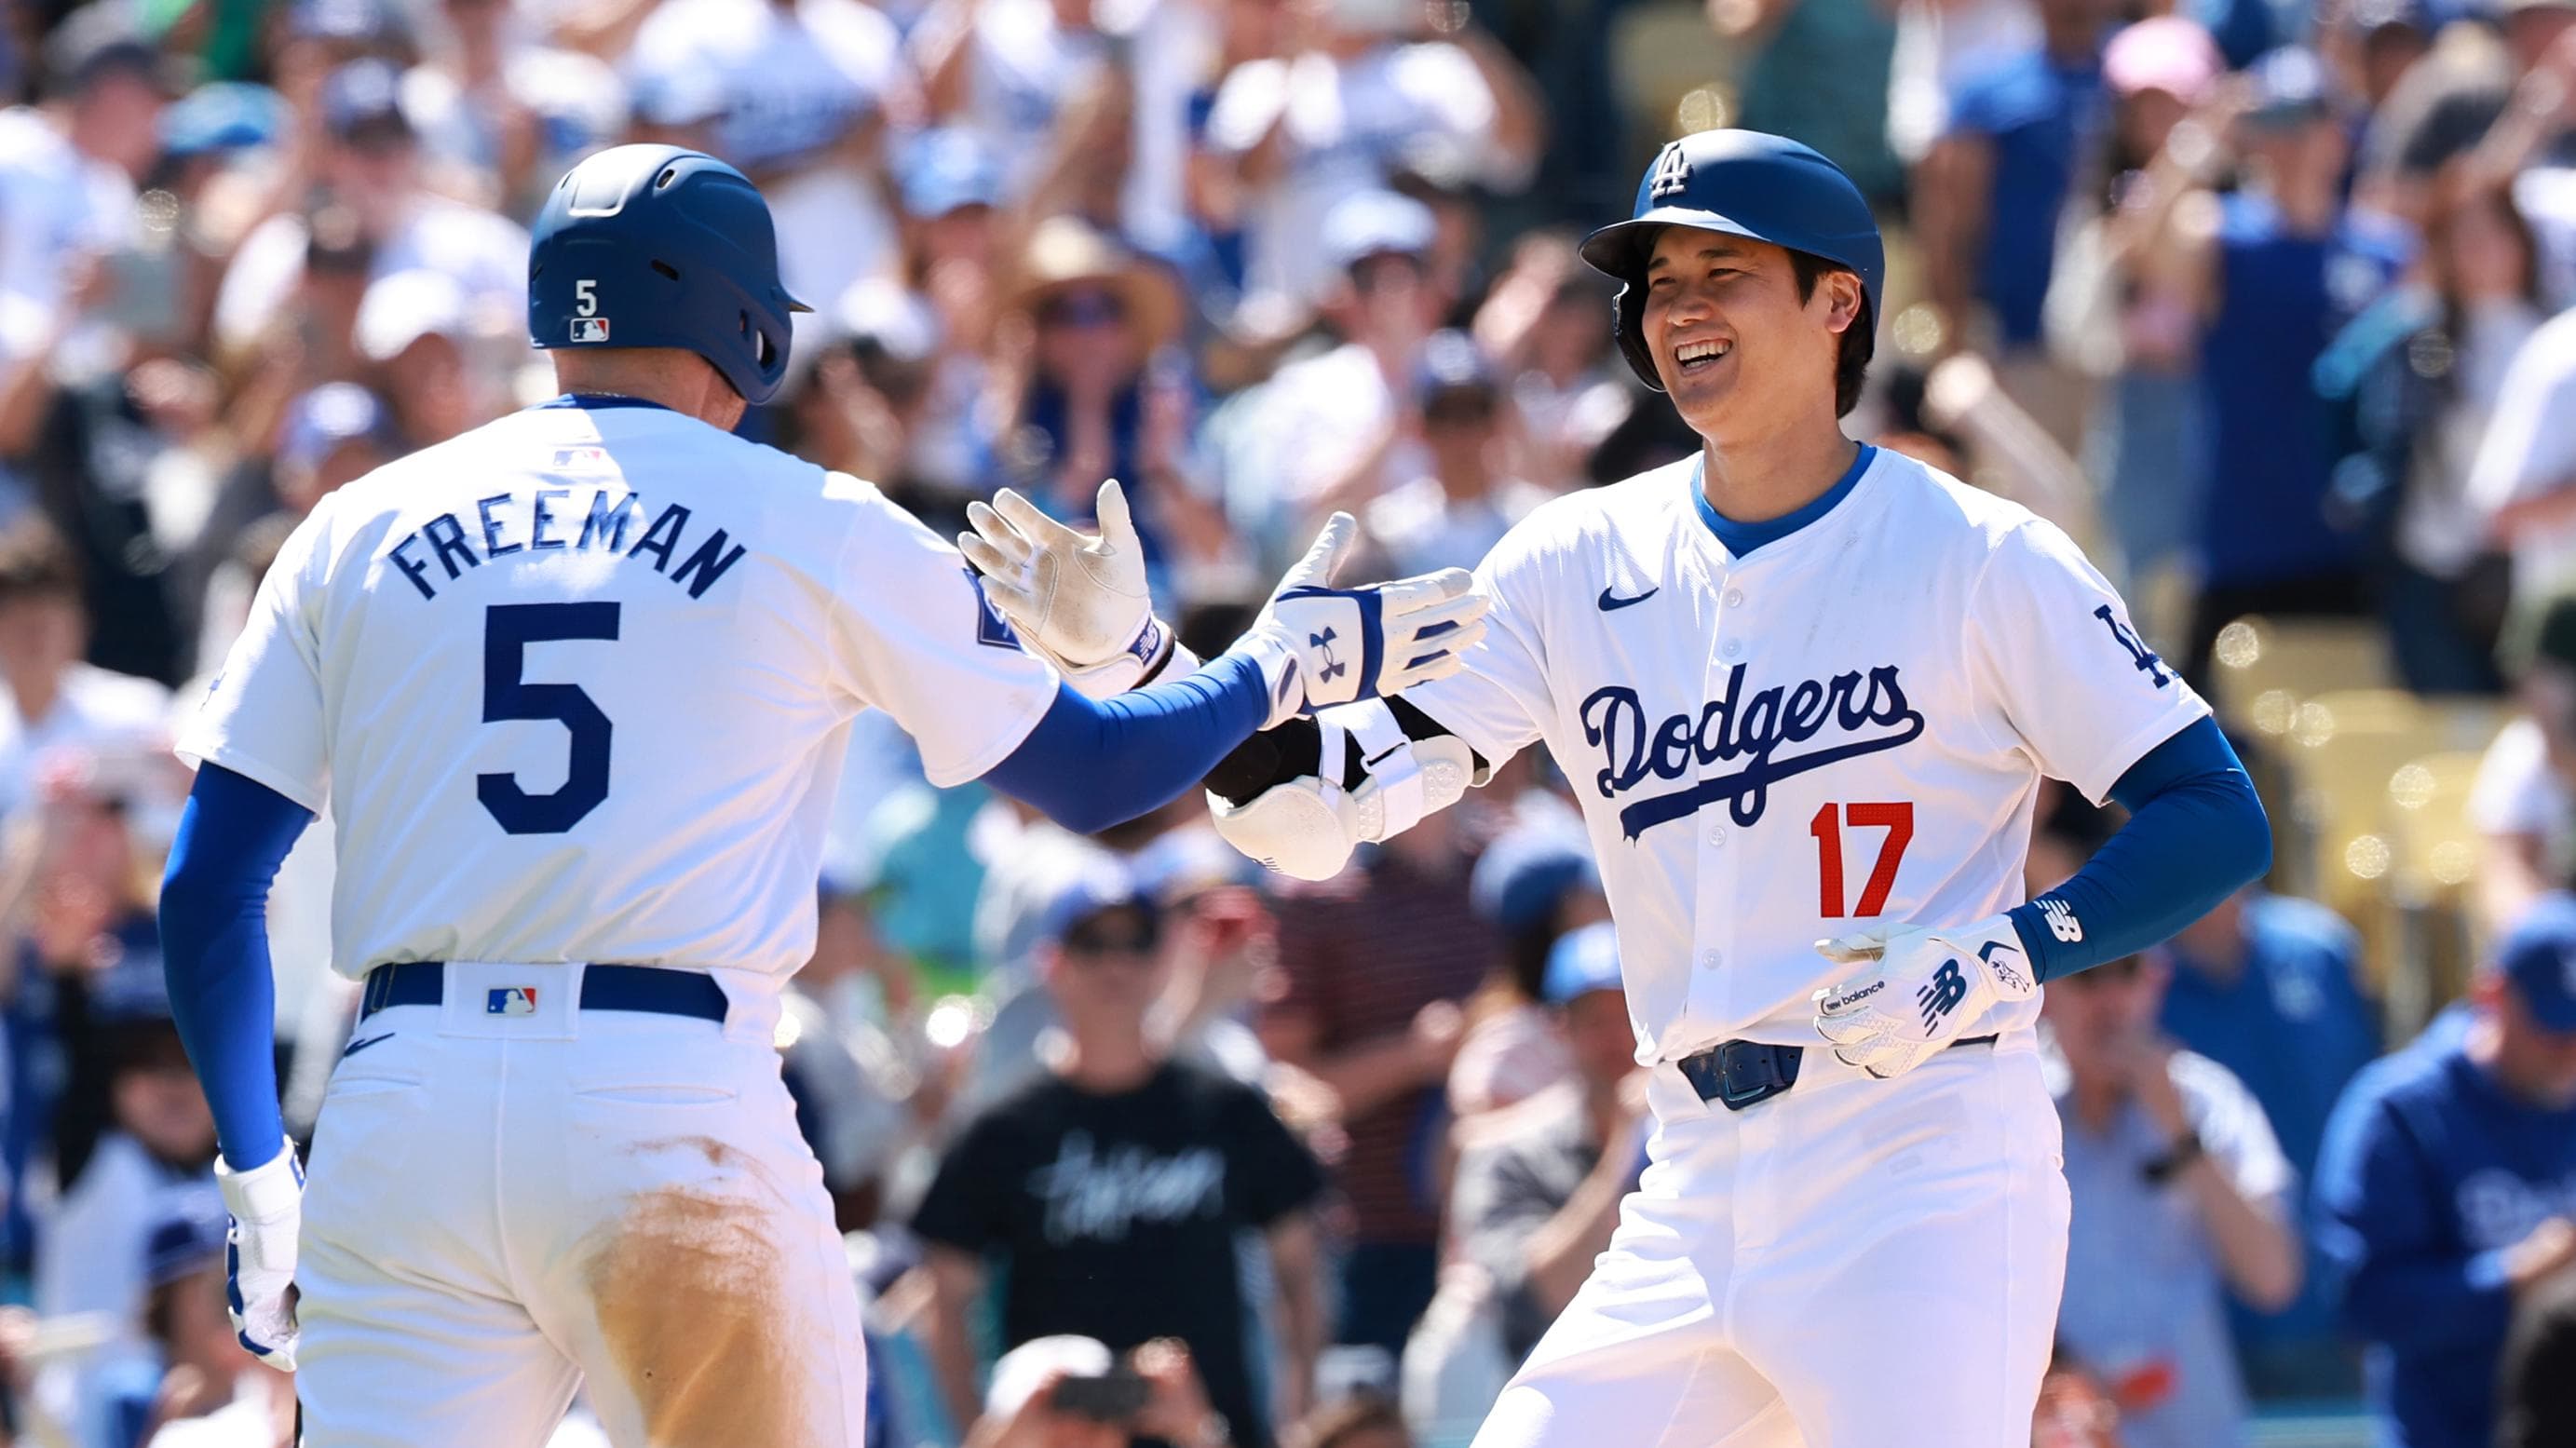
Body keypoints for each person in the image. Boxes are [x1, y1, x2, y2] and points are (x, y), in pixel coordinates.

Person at [154, 144, 1482, 1447]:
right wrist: (1266, 670)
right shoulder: (817, 515)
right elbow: (1095, 774)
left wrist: (260, 1170)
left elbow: (209, 890)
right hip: (663, 1095)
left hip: (407, 1100)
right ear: (745, 326)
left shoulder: (356, 519)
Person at [974, 129, 2271, 1445]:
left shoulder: (1982, 555)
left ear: (1839, 302)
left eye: (1724, 271)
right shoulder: (1569, 558)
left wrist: (2006, 949)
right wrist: (1150, 658)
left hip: (1917, 1165)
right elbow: (1310, 811)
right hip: (1690, 1174)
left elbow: (2214, 812)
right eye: (1658, 282)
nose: (1682, 307)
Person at [912, 867, 1325, 1448]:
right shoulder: (1003, 1128)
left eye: (1136, 944)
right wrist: (978, 1432)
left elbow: (1300, 1263)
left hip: (1207, 1430)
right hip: (1063, 1435)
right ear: (1052, 964)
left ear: (1162, 962)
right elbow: (945, 1295)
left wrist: (1299, 1407)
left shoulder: (1224, 1109)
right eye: (1093, 944)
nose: (1116, 965)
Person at [2312, 893, 2576, 1448]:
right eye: (2552, 1027)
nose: (2568, 1051)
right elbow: (2365, 1306)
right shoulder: (2401, 1110)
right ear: (2493, 995)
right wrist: (2518, 1275)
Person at [2043, 954, 2301, 1448]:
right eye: (2087, 976)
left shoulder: (2204, 1098)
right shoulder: (2015, 1103)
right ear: (2045, 992)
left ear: (2156, 981)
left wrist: (2183, 1137)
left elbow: (2274, 1279)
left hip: (2194, 1430)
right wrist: (2059, 1374)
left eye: (2129, 971)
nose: (2111, 1000)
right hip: (2057, 1432)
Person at [2154, 886, 2378, 1396]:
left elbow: (2369, 1116)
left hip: (2338, 1310)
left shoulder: (2320, 950)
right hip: (2197, 1330)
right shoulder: (2126, 974)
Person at [1447, 922, 1647, 1363]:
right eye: (1597, 1020)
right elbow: (1544, 1296)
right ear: (1561, 1028)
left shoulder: (1703, 1134)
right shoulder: (1508, 1153)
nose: (1617, 1039)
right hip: (1551, 1380)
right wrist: (1624, 1147)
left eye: (1630, 1018)